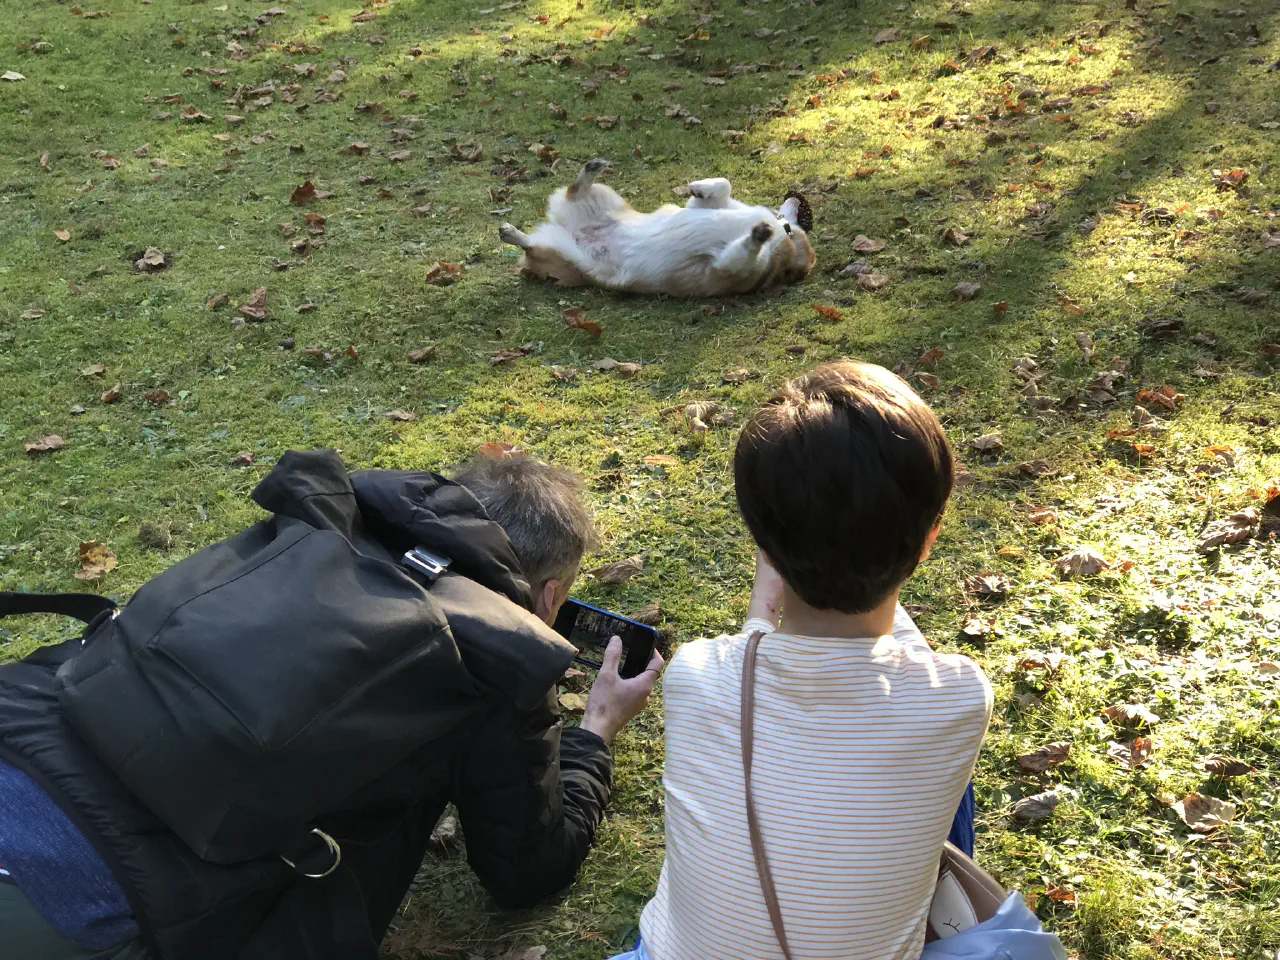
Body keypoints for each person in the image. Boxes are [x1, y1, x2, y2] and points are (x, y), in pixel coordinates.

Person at [0, 453, 662, 960]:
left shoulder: (313, 524)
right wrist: (595, 732)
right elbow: (527, 868)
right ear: (547, 600)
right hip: (101, 893)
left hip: (22, 733)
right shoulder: (496, 658)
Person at [611, 361, 1064, 960]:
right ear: (930, 539)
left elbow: (751, 666)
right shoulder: (961, 695)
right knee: (932, 774)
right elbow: (900, 661)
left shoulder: (694, 673)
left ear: (763, 546)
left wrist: (757, 619)